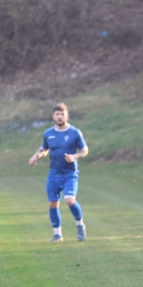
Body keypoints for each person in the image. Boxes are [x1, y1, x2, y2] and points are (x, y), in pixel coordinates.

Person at [28, 102, 89, 243]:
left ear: (68, 116)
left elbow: (85, 150)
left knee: (69, 200)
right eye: (57, 114)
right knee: (52, 204)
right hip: (54, 174)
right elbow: (44, 149)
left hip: (70, 174)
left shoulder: (75, 133)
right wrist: (36, 156)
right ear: (53, 116)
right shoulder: (48, 133)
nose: (60, 117)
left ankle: (80, 224)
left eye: (62, 114)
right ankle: (57, 235)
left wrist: (75, 156)